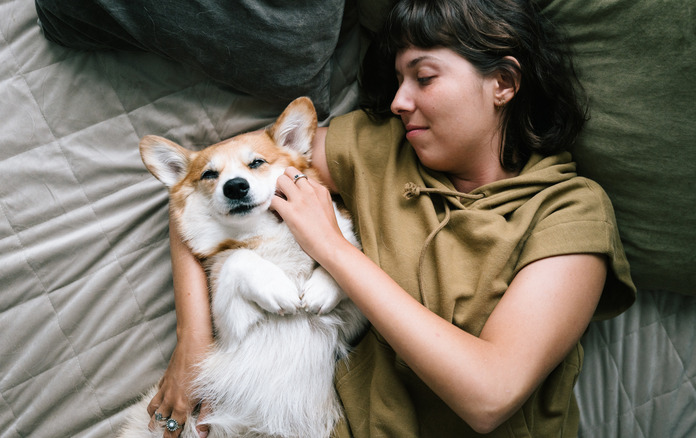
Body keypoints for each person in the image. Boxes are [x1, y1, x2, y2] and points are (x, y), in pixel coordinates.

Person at [40, 0, 635, 436]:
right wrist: (193, 342)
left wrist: (333, 249)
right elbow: (208, 189)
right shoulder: (380, 146)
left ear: (503, 82)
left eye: (424, 77)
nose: (400, 101)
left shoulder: (570, 209)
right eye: (399, 80)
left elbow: (488, 396)